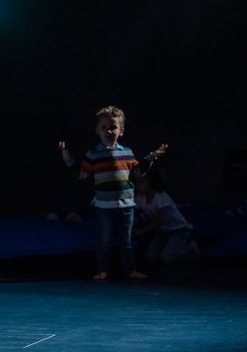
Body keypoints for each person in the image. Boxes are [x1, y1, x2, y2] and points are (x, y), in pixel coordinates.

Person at [58, 105, 167, 281]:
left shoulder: (127, 153)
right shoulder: (93, 154)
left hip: (126, 207)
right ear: (97, 130)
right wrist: (68, 158)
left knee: (126, 241)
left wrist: (151, 157)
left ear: (121, 130)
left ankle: (131, 270)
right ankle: (102, 270)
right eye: (104, 127)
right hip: (104, 207)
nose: (109, 130)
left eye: (113, 127)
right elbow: (81, 173)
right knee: (105, 241)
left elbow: (137, 172)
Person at [133, 166, 200, 264]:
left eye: (142, 182)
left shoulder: (161, 197)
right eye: (137, 182)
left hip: (179, 229)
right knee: (150, 256)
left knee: (167, 258)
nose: (138, 185)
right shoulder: (140, 198)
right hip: (164, 231)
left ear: (152, 183)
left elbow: (161, 220)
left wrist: (140, 231)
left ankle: (191, 249)